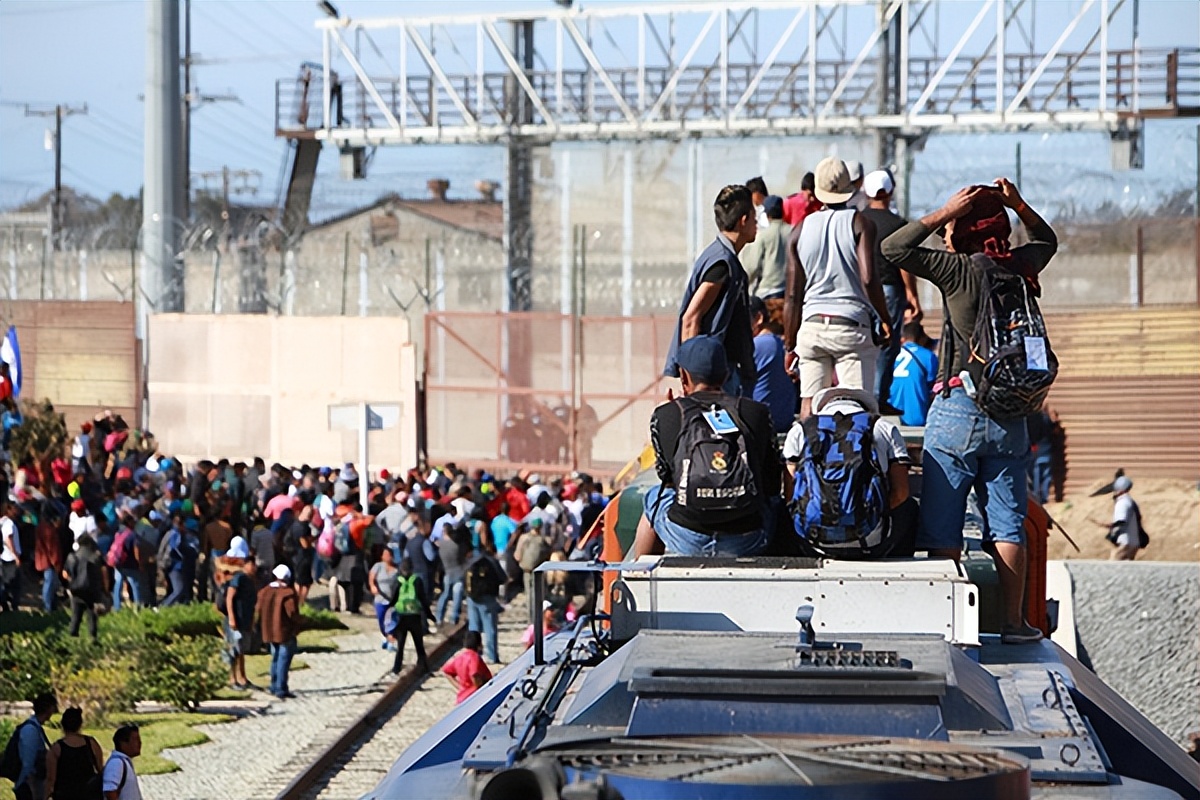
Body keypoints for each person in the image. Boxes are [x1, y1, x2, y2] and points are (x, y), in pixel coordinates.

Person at [881, 177, 1057, 645]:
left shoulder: (958, 270)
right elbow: (1048, 241)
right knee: (1007, 526)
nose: (944, 236)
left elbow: (893, 248)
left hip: (958, 408)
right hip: (1011, 412)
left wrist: (943, 212)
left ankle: (949, 627)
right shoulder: (1021, 266)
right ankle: (1015, 624)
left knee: (944, 529)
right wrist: (1018, 203)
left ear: (963, 229)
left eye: (951, 229)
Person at [634, 335, 781, 558]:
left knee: (653, 497)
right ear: (726, 374)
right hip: (748, 538)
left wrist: (668, 416)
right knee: (774, 504)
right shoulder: (756, 412)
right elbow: (772, 482)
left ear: (684, 376)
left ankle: (641, 574)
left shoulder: (667, 414)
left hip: (687, 536)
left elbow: (667, 478)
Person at [784, 157, 892, 421]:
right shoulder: (861, 223)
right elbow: (869, 278)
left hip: (812, 325)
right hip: (851, 325)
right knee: (859, 408)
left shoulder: (799, 230)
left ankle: (807, 445)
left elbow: (793, 295)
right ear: (850, 188)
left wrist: (789, 344)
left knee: (810, 404)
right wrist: (885, 318)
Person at [783, 387, 916, 558]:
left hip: (813, 539)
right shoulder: (883, 427)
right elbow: (901, 492)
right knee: (910, 507)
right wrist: (875, 512)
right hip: (871, 540)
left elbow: (790, 494)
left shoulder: (800, 430)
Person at [663, 185, 758, 397]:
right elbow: (691, 319)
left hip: (725, 373)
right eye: (754, 217)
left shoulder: (725, 258)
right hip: (716, 378)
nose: (757, 223)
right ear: (743, 220)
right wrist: (693, 378)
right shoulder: (722, 264)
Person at [859, 169, 921, 409]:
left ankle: (862, 394)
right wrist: (912, 295)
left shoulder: (857, 220)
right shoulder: (898, 224)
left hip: (861, 289)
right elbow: (904, 263)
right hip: (889, 289)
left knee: (862, 340)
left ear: (866, 192)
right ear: (890, 191)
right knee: (887, 343)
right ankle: (878, 396)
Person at [749, 296, 797, 434]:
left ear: (758, 318)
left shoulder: (759, 345)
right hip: (783, 421)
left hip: (760, 423)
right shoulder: (780, 344)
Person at [258, 564, 301, 699]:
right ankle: (280, 688)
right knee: (283, 659)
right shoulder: (288, 593)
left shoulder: (265, 591)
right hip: (284, 631)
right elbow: (292, 613)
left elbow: (258, 609)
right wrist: (299, 624)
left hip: (269, 630)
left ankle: (273, 685)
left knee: (275, 658)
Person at [44, 706, 104, 800]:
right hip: (88, 794)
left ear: (62, 724)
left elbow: (51, 779)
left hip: (65, 795)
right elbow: (101, 770)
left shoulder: (56, 749)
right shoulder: (91, 743)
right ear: (80, 724)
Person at [742, 195, 790, 310]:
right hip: (788, 292)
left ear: (767, 214)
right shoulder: (793, 232)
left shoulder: (763, 235)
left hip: (767, 292)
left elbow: (753, 266)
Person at [889, 321, 938, 426]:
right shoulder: (928, 356)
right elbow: (933, 386)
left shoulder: (889, 355)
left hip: (890, 418)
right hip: (917, 418)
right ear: (922, 338)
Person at [222, 543, 257, 690]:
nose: (254, 568)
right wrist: (231, 618)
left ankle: (242, 677)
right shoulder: (239, 578)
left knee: (241, 650)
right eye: (252, 564)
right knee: (233, 650)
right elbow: (229, 598)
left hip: (245, 620)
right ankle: (232, 679)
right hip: (235, 620)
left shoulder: (250, 580)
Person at [464, 544, 506, 664]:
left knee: (473, 626)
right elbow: (503, 578)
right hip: (487, 598)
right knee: (490, 628)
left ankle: (472, 655)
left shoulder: (470, 561)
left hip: (471, 597)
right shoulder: (492, 561)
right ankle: (492, 656)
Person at [389, 557, 430, 675]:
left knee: (400, 645)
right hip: (415, 615)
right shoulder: (417, 580)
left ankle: (396, 667)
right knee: (419, 644)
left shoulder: (397, 580)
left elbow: (393, 598)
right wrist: (427, 615)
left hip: (401, 616)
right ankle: (423, 666)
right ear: (412, 568)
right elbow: (422, 599)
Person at [11, 692, 56, 800]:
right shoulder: (30, 730)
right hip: (30, 786)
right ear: (49, 708)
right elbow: (28, 762)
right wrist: (25, 785)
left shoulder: (35, 727)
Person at [62, 534, 104, 640]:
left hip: (77, 590)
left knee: (76, 615)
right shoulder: (96, 557)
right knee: (92, 616)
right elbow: (104, 573)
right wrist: (105, 589)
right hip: (92, 591)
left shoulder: (73, 556)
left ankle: (73, 635)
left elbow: (65, 573)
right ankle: (93, 637)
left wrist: (72, 581)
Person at [442, 630, 493, 705]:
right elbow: (474, 674)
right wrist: (479, 687)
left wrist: (460, 687)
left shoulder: (460, 657)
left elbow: (447, 672)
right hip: (474, 698)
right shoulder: (474, 657)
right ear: (479, 644)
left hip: (463, 697)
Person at [435, 521, 468, 628]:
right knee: (457, 596)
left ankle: (438, 618)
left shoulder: (441, 544)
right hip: (458, 571)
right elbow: (463, 557)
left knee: (445, 595)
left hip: (447, 571)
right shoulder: (456, 545)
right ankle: (454, 618)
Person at [367, 547, 400, 648]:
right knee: (381, 619)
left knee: (391, 620)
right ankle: (385, 636)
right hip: (380, 598)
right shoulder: (378, 566)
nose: (387, 557)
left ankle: (391, 639)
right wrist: (372, 586)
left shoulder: (397, 570)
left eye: (388, 555)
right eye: (385, 554)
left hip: (392, 599)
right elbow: (371, 577)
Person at [1105, 475, 1143, 561]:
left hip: (1125, 542)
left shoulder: (1122, 502)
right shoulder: (1129, 501)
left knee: (1113, 563)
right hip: (1132, 541)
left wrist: (1111, 526)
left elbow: (1121, 521)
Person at [101, 724, 141, 800]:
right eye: (135, 739)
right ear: (123, 743)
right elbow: (110, 791)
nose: (140, 743)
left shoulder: (123, 762)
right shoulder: (116, 763)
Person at [0, 500, 23, 612]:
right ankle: (14, 606)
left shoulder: (2, 522)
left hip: (4, 557)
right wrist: (15, 555)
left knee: (6, 582)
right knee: (15, 584)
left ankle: (5, 604)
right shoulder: (9, 523)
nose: (17, 510)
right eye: (14, 508)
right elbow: (8, 539)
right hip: (10, 558)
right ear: (8, 510)